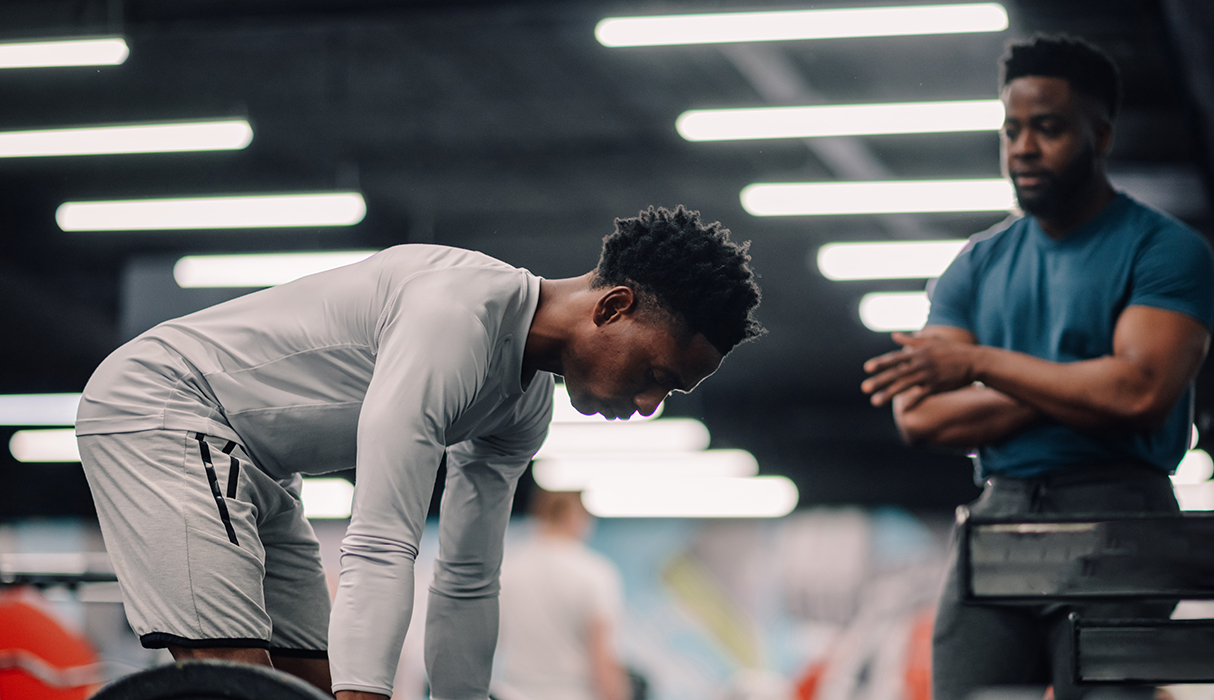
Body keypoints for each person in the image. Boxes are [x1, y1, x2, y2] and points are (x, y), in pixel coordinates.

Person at [75, 205, 763, 700]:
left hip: (260, 463)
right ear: (612, 307)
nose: (648, 404)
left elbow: (467, 579)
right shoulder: (455, 315)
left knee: (309, 686)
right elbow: (379, 541)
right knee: (237, 681)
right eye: (656, 377)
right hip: (164, 405)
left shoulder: (523, 407)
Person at [860, 36, 1214, 700]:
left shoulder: (1164, 250)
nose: (1024, 147)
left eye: (1049, 128)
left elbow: (1140, 392)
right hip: (1002, 510)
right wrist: (1080, 378)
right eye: (1012, 129)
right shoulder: (975, 264)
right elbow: (921, 416)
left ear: (1100, 134)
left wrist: (980, 364)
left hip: (1120, 510)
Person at [496, 489, 629, 700]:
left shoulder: (507, 570)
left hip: (516, 692)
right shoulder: (594, 573)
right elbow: (601, 655)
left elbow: (489, 641)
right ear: (574, 516)